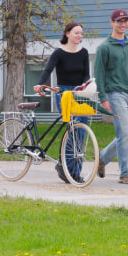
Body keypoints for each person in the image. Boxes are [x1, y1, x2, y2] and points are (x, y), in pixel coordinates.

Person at [33, 22, 94, 183]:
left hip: (80, 92)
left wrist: (87, 87)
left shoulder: (84, 53)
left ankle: (71, 170)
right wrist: (40, 83)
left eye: (81, 33)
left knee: (81, 131)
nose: (79, 36)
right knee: (72, 131)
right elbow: (48, 70)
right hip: (64, 93)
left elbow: (86, 75)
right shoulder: (59, 53)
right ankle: (69, 171)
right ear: (67, 34)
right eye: (76, 33)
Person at [94, 9, 128, 185]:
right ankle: (125, 173)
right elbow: (99, 74)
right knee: (124, 133)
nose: (123, 24)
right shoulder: (104, 47)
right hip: (115, 95)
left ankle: (102, 158)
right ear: (112, 23)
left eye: (125, 21)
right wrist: (103, 98)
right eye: (119, 21)